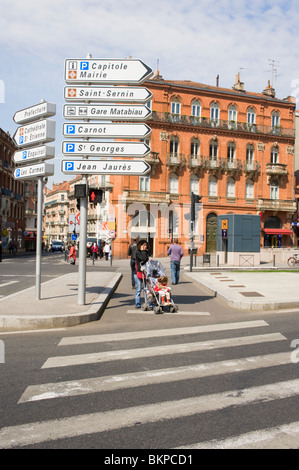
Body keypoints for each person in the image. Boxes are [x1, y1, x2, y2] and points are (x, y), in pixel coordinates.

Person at [134, 239, 149, 308]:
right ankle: (137, 302)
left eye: (146, 245)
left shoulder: (146, 252)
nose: (145, 247)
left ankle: (147, 301)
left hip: (145, 272)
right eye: (144, 245)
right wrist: (143, 251)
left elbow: (146, 259)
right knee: (139, 289)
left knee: (146, 289)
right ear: (140, 246)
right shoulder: (137, 252)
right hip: (138, 273)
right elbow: (143, 258)